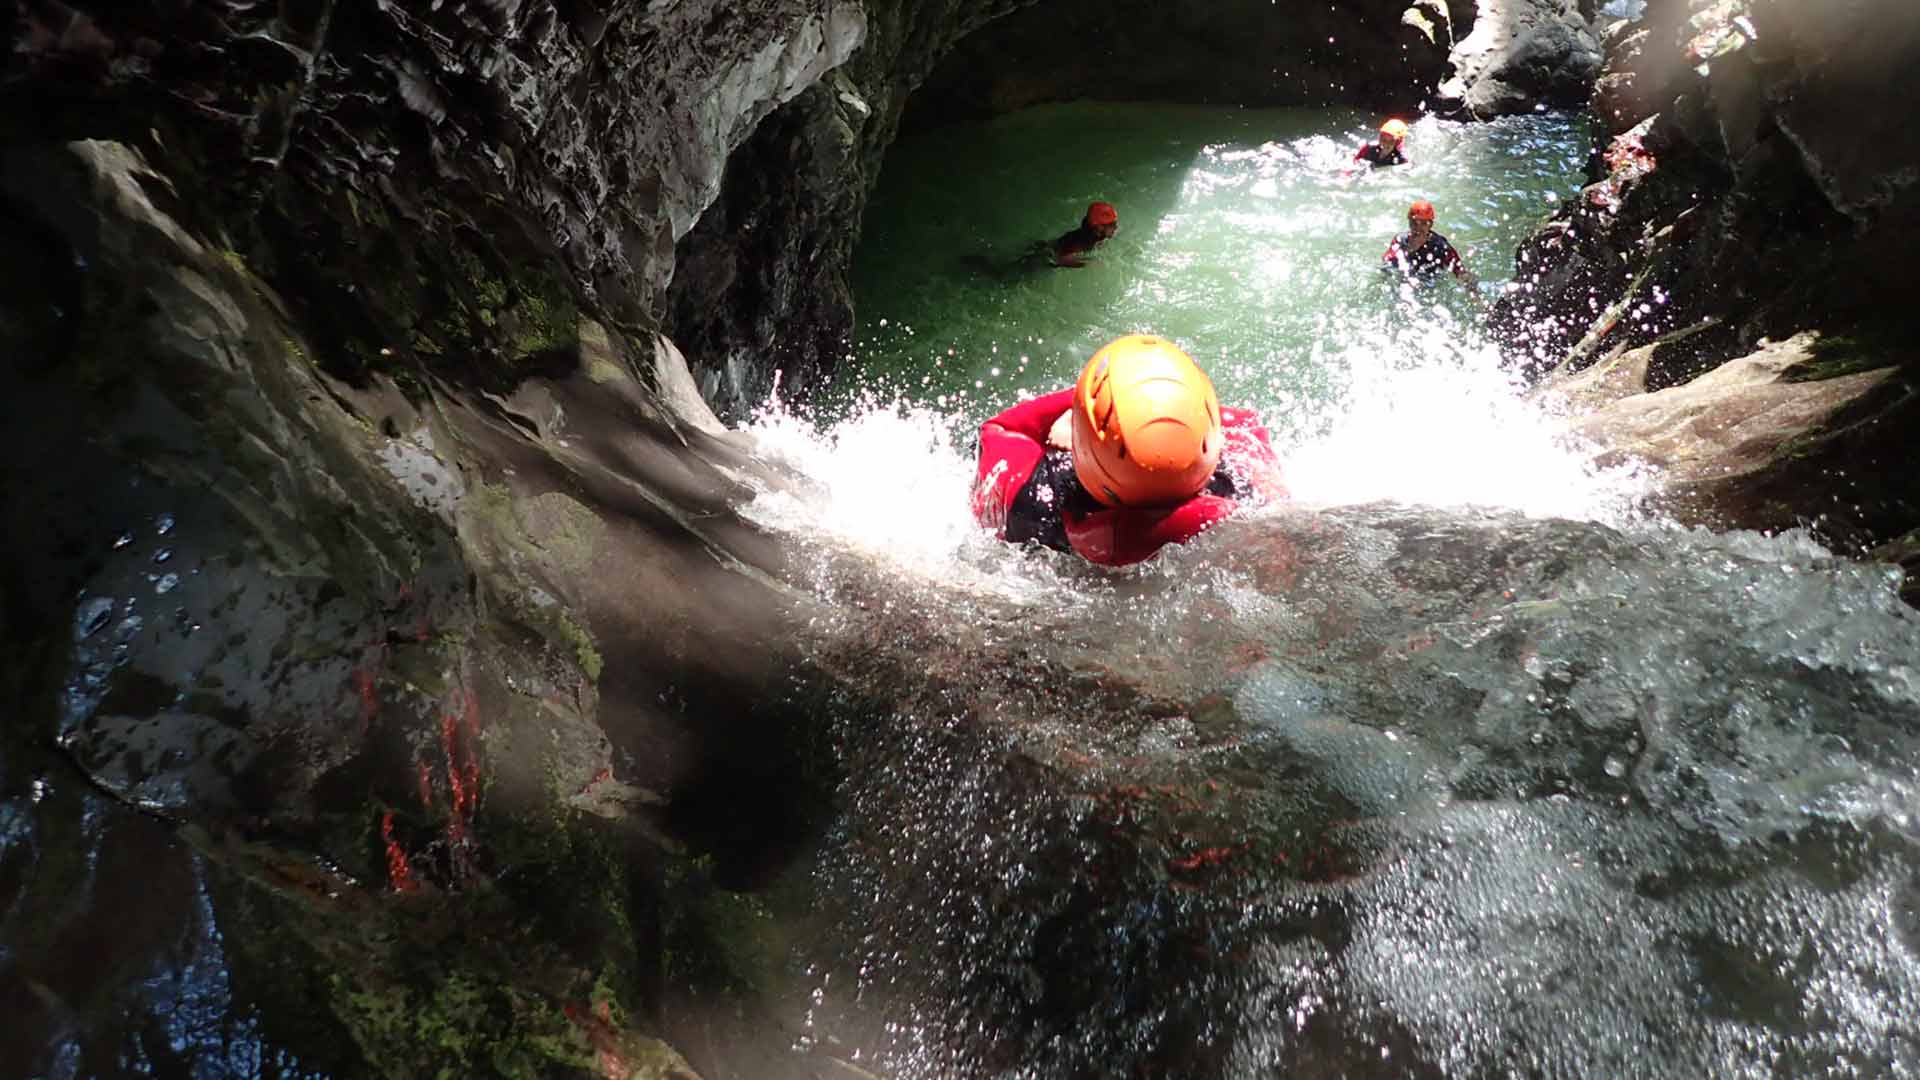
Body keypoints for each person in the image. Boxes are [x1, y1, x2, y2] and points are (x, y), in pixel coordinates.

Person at [970, 334, 1285, 566]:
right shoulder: (1247, 488)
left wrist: (1080, 407)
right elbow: (1241, 422)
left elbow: (997, 429)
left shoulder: (1029, 500)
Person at [1382, 200, 1478, 291]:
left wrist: (1473, 291)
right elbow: (1387, 261)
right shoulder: (1400, 241)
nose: (1418, 228)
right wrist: (1409, 250)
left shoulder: (1440, 246)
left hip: (1431, 282)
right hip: (1405, 279)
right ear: (1409, 223)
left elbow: (1459, 270)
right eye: (1414, 223)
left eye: (1423, 223)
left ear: (1430, 225)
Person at [1044, 201, 1119, 268]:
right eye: (1112, 224)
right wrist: (1088, 263)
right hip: (1044, 256)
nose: (1116, 227)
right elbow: (1059, 260)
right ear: (1099, 227)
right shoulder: (1080, 243)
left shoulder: (1096, 233)